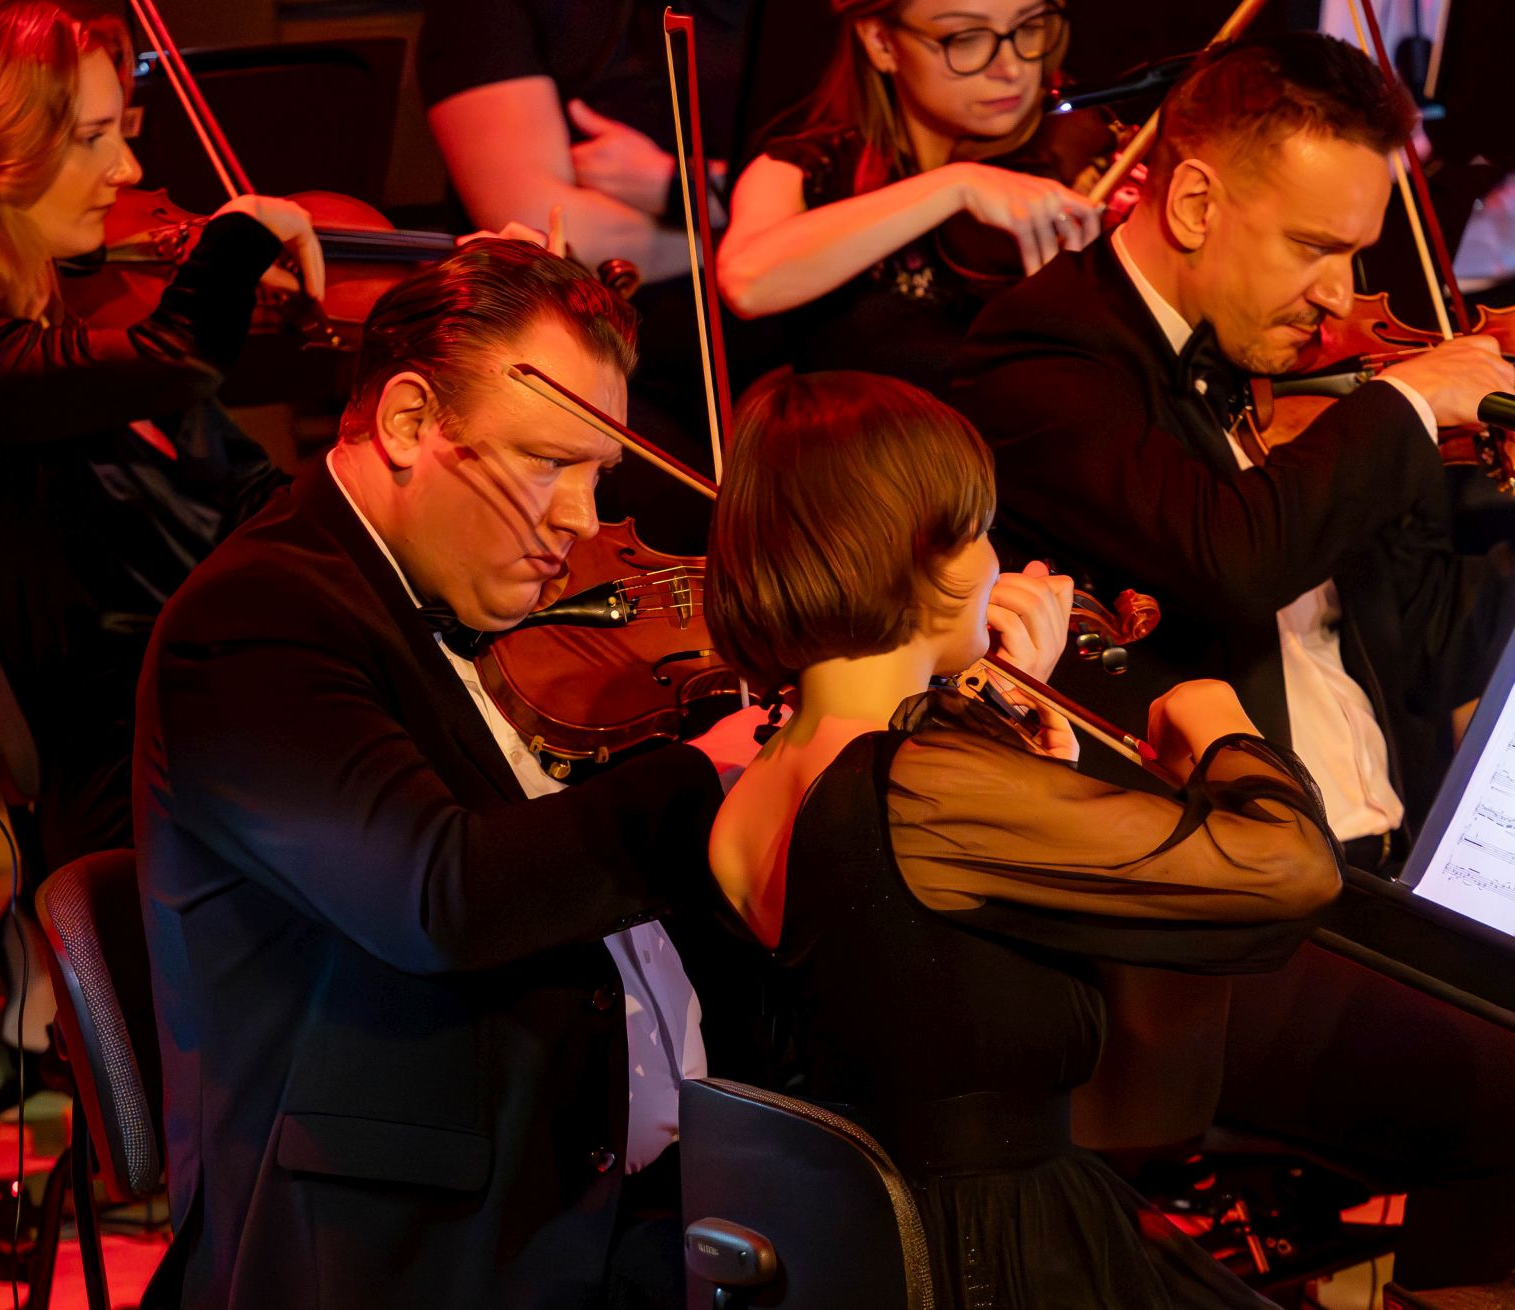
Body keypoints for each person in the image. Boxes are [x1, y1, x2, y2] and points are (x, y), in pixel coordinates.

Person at [947, 31, 1515, 1288]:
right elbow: (1226, 555)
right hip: (1209, 930)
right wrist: (1403, 408)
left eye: (1356, 253)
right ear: (1195, 201)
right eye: (1312, 247)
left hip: (1378, 887)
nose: (1338, 295)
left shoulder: (1315, 392)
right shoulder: (1040, 358)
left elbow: (1427, 654)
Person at [136, 238, 762, 1308]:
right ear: (408, 421)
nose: (580, 519)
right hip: (413, 1251)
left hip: (606, 1202)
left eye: (596, 473)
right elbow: (440, 896)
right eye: (546, 462)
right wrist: (703, 775)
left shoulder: (468, 603)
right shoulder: (255, 622)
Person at [705, 368, 1341, 1308]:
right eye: (979, 530)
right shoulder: (913, 783)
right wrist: (1223, 729)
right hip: (994, 1254)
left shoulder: (763, 778)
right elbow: (1289, 867)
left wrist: (1010, 752)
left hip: (880, 1244)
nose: (997, 562)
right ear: (927, 553)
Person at [0, 0, 311, 870]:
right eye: (91, 139)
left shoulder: (70, 328)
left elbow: (259, 501)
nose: (128, 168)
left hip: (239, 730)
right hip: (155, 796)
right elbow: (182, 353)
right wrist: (237, 240)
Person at [417, 0, 834, 552]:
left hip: (782, 350)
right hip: (602, 363)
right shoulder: (491, 14)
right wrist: (755, 244)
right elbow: (553, 230)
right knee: (698, 525)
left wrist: (674, 184)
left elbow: (837, 191)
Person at [717, 0, 1102, 392]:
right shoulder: (806, 170)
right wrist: (956, 185)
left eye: (1030, 27)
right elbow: (747, 284)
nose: (1012, 69)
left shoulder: (1083, 150)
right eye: (966, 38)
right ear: (881, 43)